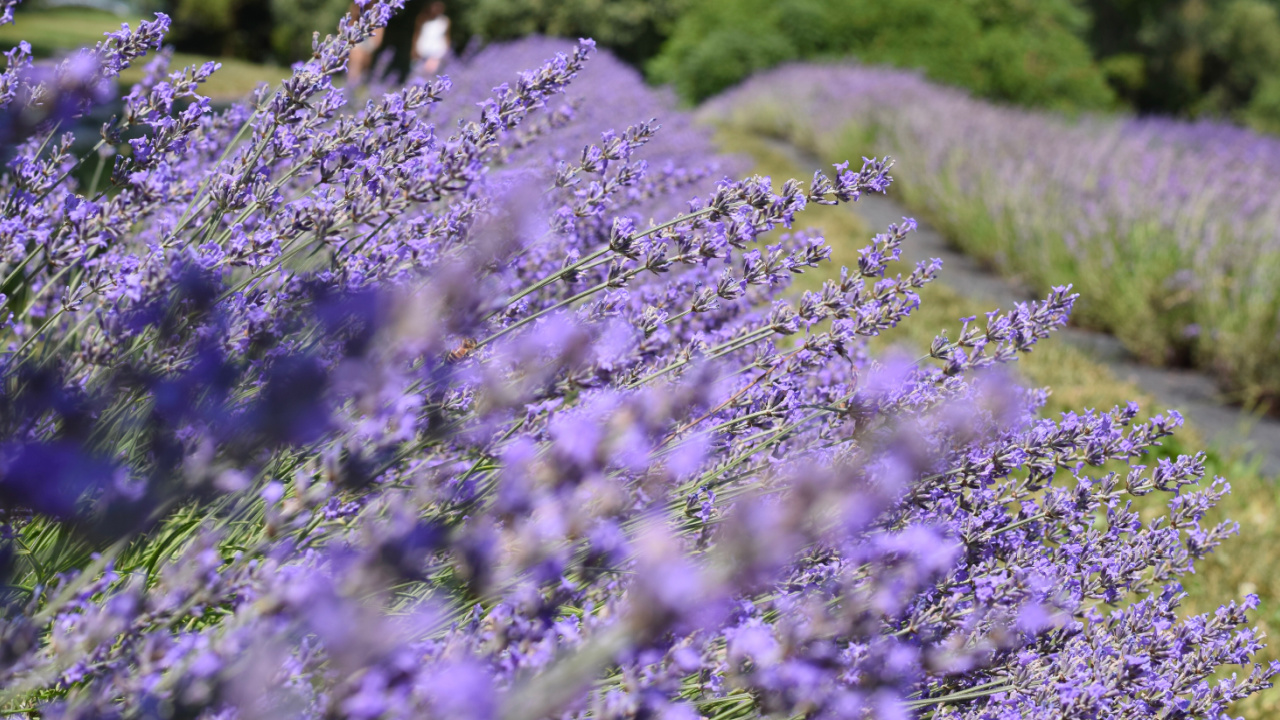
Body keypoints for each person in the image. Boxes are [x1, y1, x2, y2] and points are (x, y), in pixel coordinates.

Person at [348, 2, 386, 86]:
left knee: (358, 54)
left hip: (367, 47)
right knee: (356, 53)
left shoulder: (377, 15)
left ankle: (354, 83)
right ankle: (352, 83)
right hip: (353, 45)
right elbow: (348, 30)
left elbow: (377, 42)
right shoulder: (355, 12)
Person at [412, 2, 450, 76]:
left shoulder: (444, 21)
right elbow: (416, 34)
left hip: (435, 54)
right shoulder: (423, 18)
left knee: (428, 76)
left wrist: (446, 53)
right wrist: (414, 49)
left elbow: (447, 38)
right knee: (415, 74)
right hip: (421, 52)